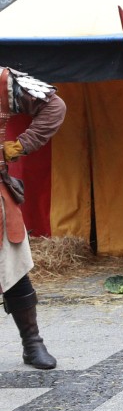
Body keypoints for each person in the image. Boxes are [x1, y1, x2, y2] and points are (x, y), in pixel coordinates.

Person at [1, 67, 65, 371]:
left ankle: (32, 343)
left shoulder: (2, 80)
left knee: (13, 269)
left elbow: (54, 106)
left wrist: (19, 146)